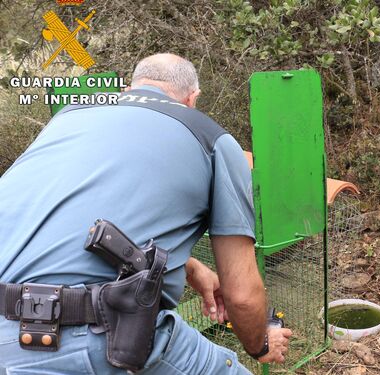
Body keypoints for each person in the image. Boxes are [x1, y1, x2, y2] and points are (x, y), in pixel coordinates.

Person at [0, 53, 292, 374]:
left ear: (128, 88)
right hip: (90, 336)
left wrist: (194, 270)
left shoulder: (68, 118)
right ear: (192, 99)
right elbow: (242, 295)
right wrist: (260, 343)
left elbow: (73, 229)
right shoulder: (211, 138)